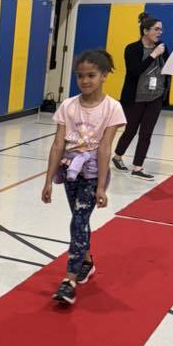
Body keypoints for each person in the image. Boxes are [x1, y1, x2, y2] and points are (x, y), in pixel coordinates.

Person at [42, 50, 126, 306]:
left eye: (91, 75)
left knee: (78, 221)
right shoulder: (68, 106)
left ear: (104, 75)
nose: (85, 81)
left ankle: (69, 281)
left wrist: (101, 186)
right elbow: (58, 144)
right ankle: (87, 261)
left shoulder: (112, 108)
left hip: (92, 173)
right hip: (70, 172)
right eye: (80, 76)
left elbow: (104, 148)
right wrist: (48, 180)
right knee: (80, 219)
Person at [112, 11, 166, 180]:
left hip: (156, 96)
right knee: (130, 130)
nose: (160, 32)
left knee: (146, 133)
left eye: (161, 29)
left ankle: (138, 167)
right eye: (156, 29)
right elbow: (135, 71)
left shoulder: (162, 47)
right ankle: (117, 156)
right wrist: (153, 55)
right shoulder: (132, 48)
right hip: (135, 98)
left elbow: (166, 68)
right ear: (145, 31)